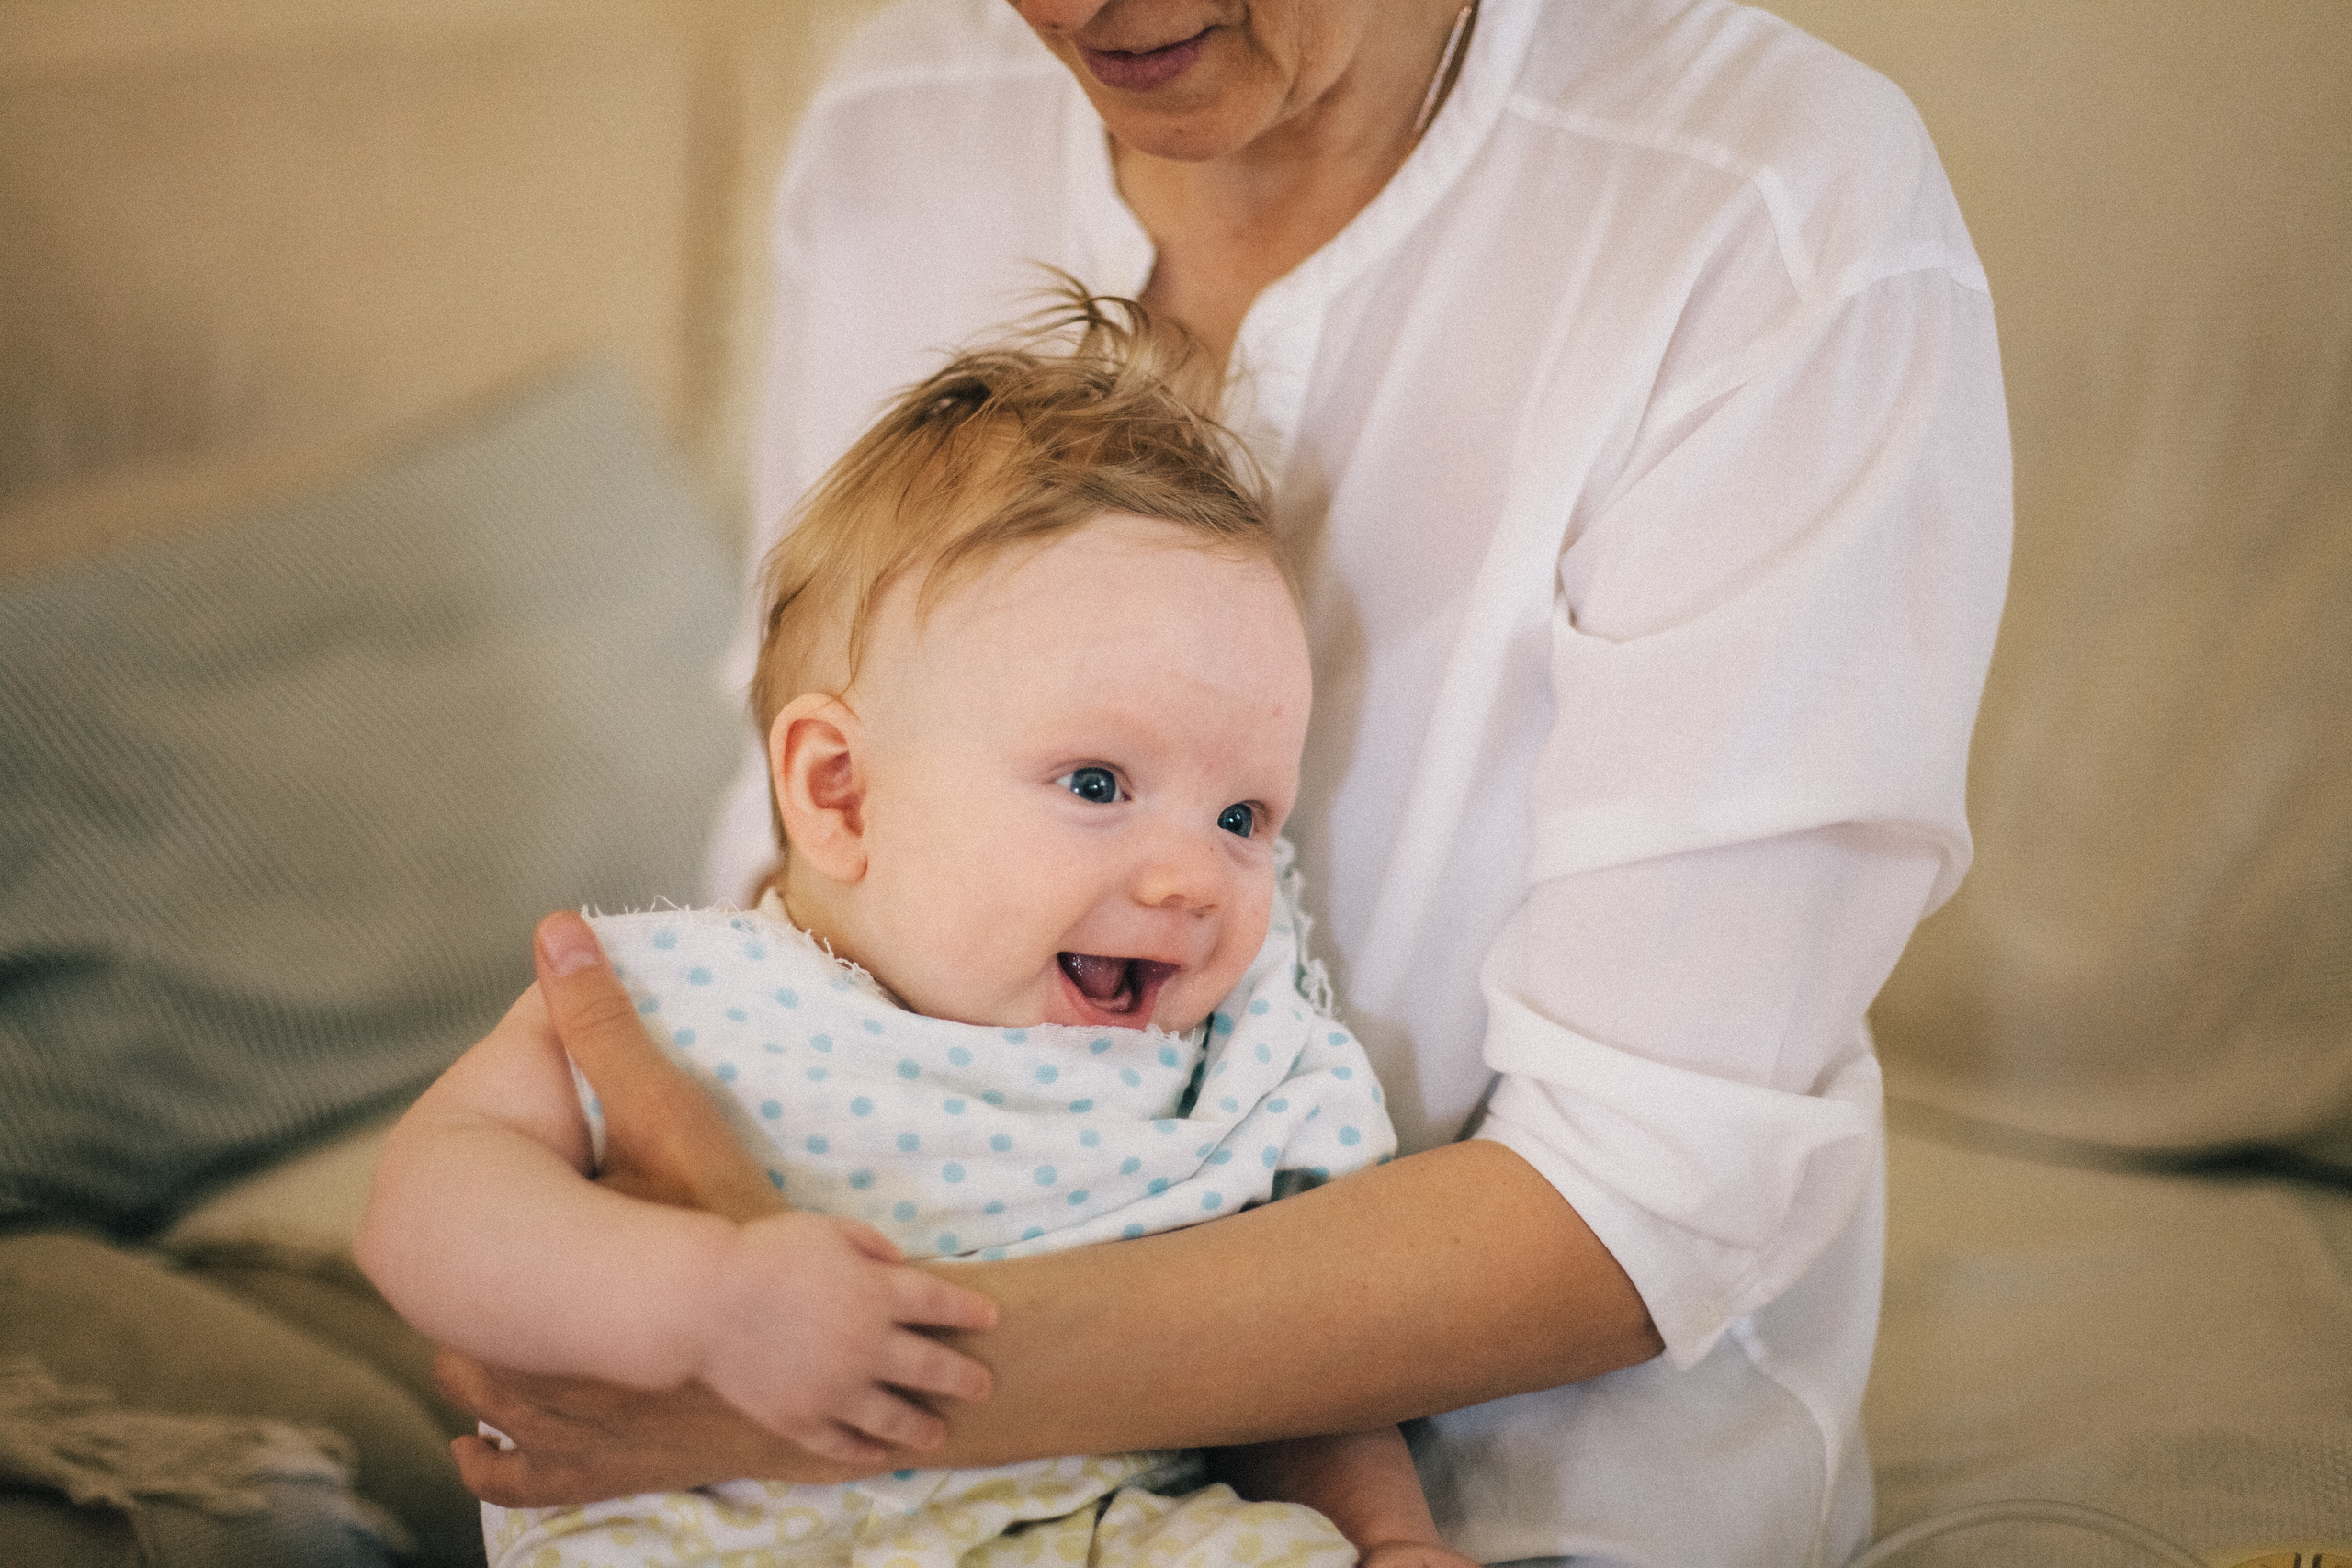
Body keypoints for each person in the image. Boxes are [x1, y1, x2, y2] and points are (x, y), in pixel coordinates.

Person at [429, 0, 2013, 1562]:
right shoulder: (897, 108)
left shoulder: (1772, 216)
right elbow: (806, 794)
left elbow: (1641, 1191)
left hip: (1530, 1508)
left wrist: (836, 1386)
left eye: (1242, 817)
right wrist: (676, 1284)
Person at [358, 309, 1478, 1568]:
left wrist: (1393, 1545)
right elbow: (424, 1208)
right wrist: (698, 1304)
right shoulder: (684, 999)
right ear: (840, 793)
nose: (1192, 880)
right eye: (1099, 784)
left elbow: (1304, 1384)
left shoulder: (1231, 1069)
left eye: (1240, 817)